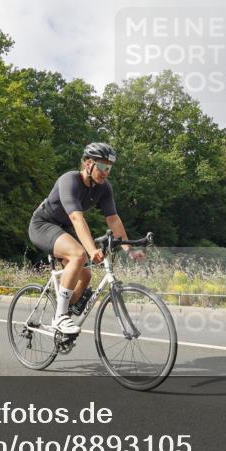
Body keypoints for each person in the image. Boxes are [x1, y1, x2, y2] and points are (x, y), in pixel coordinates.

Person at [27, 142, 144, 335]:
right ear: (88, 164)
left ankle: (65, 312)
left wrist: (128, 249)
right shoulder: (69, 180)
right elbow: (76, 218)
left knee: (86, 274)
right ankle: (60, 317)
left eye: (109, 168)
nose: (106, 172)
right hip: (43, 225)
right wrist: (91, 250)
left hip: (63, 229)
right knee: (79, 255)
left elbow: (113, 219)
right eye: (102, 166)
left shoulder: (104, 188)